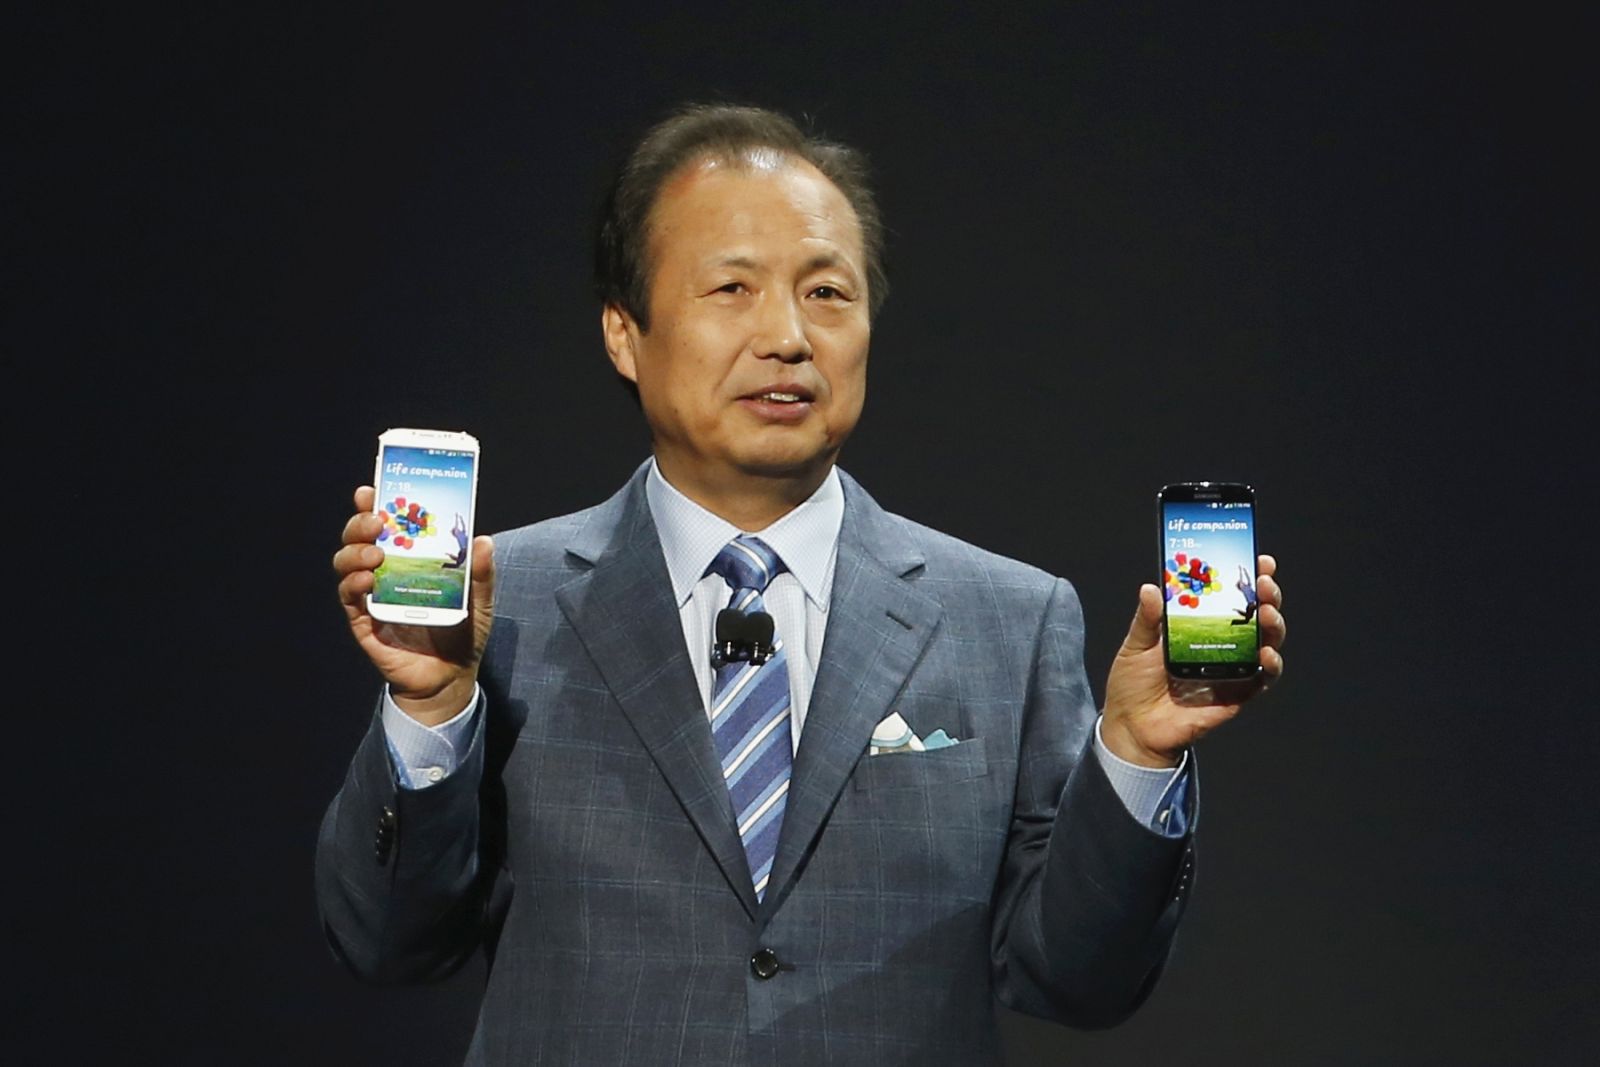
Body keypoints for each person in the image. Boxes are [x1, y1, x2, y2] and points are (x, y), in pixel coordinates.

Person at [319, 104, 1286, 1065]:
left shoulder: (1008, 618)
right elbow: (390, 943)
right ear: (624, 332)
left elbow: (1079, 979)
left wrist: (1135, 756)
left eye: (827, 293)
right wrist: (433, 707)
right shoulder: (505, 607)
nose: (787, 335)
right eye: (732, 288)